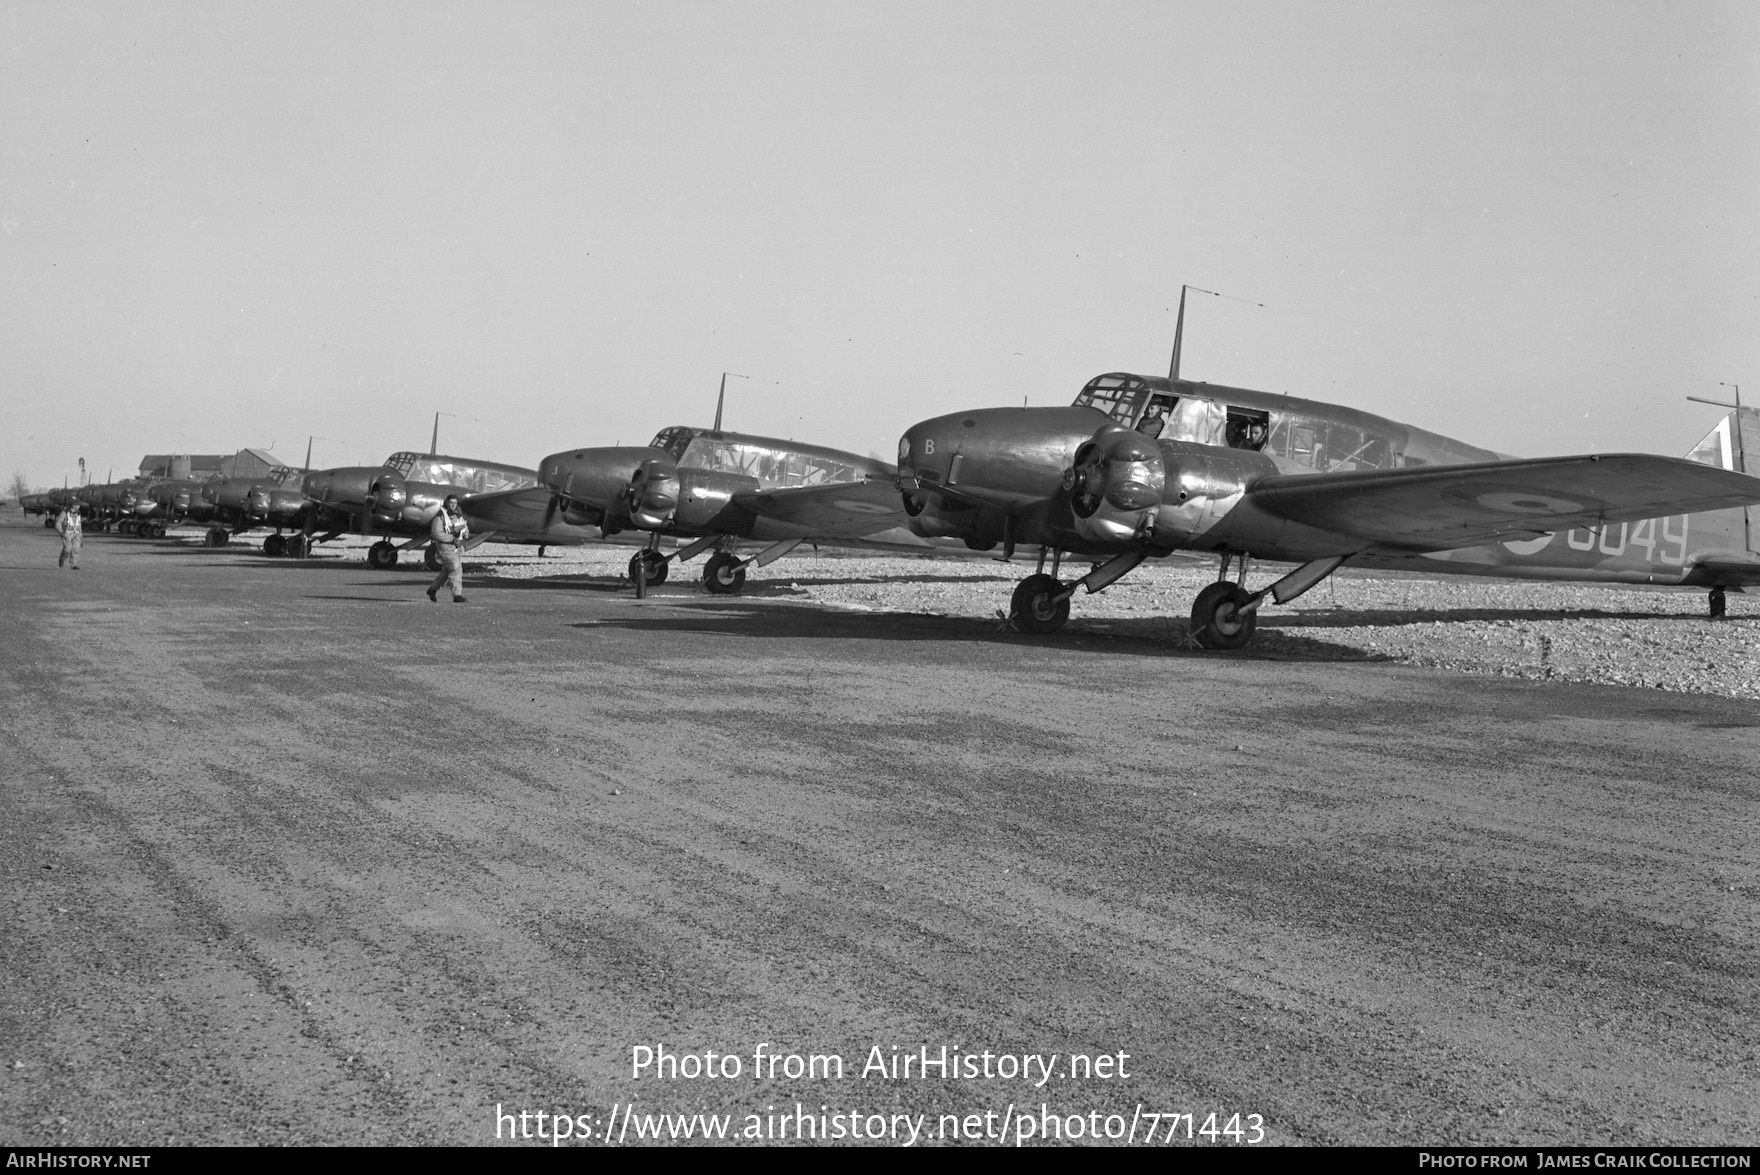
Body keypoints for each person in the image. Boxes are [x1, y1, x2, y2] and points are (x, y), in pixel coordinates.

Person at [425, 495, 469, 603]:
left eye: (455, 503)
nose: (453, 505)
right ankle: (457, 595)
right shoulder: (440, 516)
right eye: (451, 503)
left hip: (457, 547)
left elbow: (465, 529)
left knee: (446, 572)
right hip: (445, 547)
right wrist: (451, 539)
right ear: (446, 503)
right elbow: (436, 533)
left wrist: (464, 535)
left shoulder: (459, 516)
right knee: (456, 568)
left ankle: (433, 589)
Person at [56, 504, 83, 570]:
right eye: (77, 505)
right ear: (73, 505)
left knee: (76, 548)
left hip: (76, 533)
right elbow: (58, 522)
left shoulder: (78, 514)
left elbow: (79, 525)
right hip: (66, 533)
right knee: (68, 549)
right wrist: (61, 531)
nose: (79, 506)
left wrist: (81, 535)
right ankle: (62, 558)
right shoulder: (64, 513)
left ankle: (73, 565)